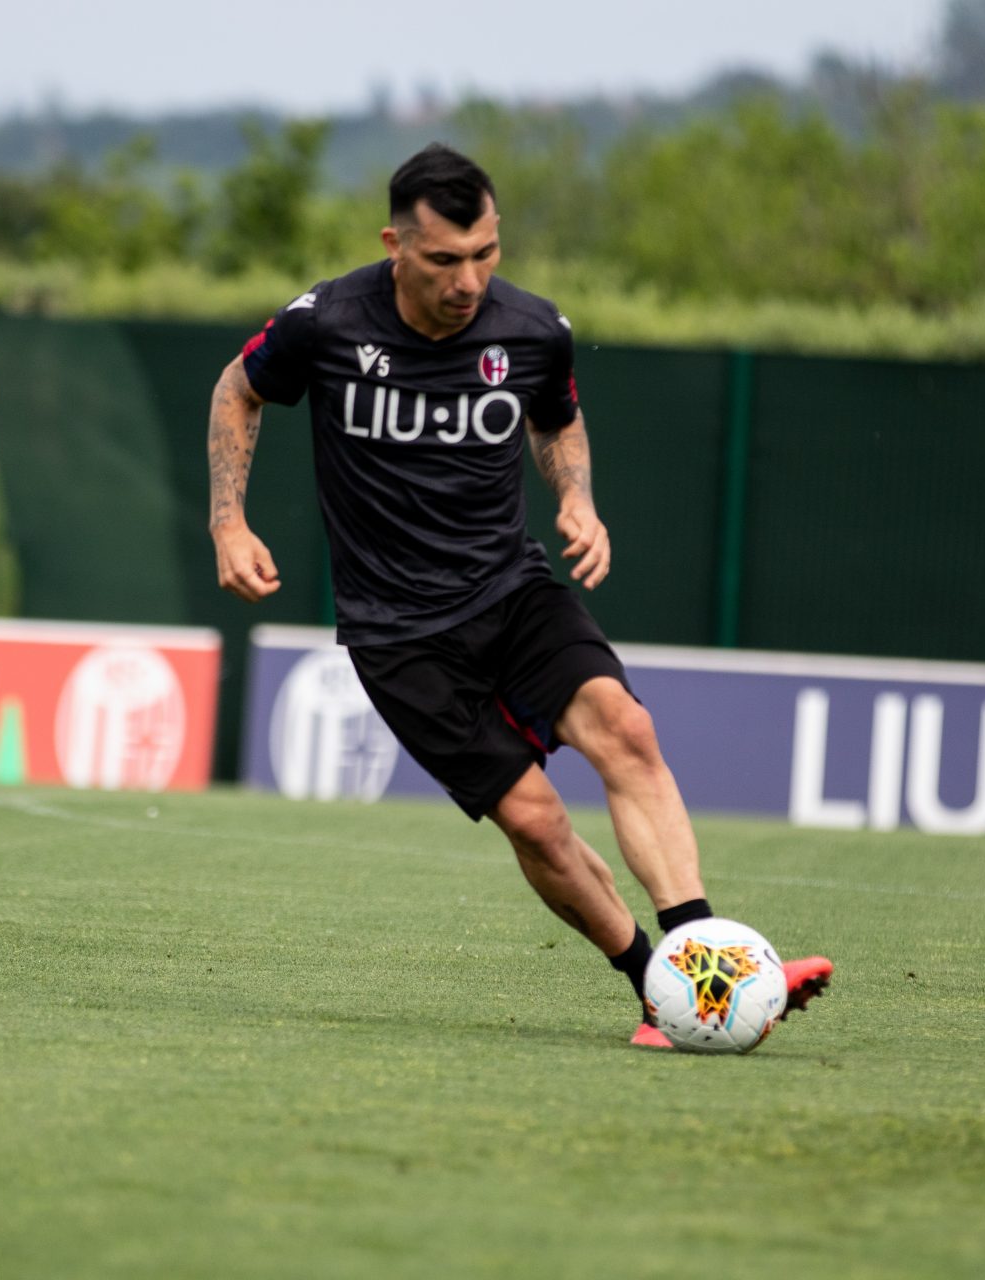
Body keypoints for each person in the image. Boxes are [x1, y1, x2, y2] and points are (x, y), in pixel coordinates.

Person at [207, 142, 830, 1046]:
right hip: (398, 634)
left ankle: (706, 967)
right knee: (536, 820)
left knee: (627, 729)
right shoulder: (327, 323)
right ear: (395, 244)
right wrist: (229, 520)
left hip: (511, 587)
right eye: (445, 260)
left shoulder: (533, 330)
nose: (470, 281)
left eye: (486, 254)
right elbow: (239, 387)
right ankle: (654, 995)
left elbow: (558, 417)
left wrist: (577, 497)